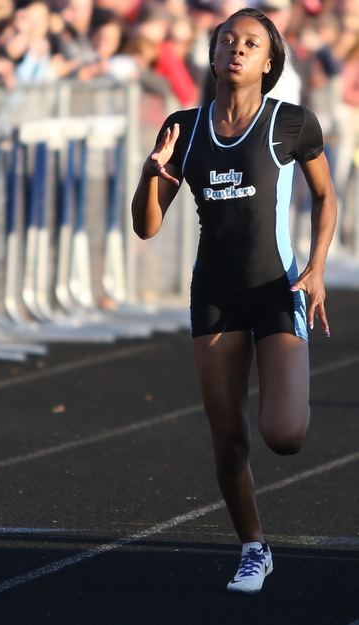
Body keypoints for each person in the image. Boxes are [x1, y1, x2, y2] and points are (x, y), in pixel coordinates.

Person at [131, 7, 336, 593]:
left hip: (279, 289)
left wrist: (317, 267)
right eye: (228, 41)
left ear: (269, 61)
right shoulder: (183, 128)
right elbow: (147, 228)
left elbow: (327, 197)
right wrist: (152, 174)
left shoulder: (291, 124)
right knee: (228, 440)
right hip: (215, 296)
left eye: (251, 43)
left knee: (284, 435)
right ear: (214, 54)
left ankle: (290, 383)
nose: (237, 49)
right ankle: (253, 548)